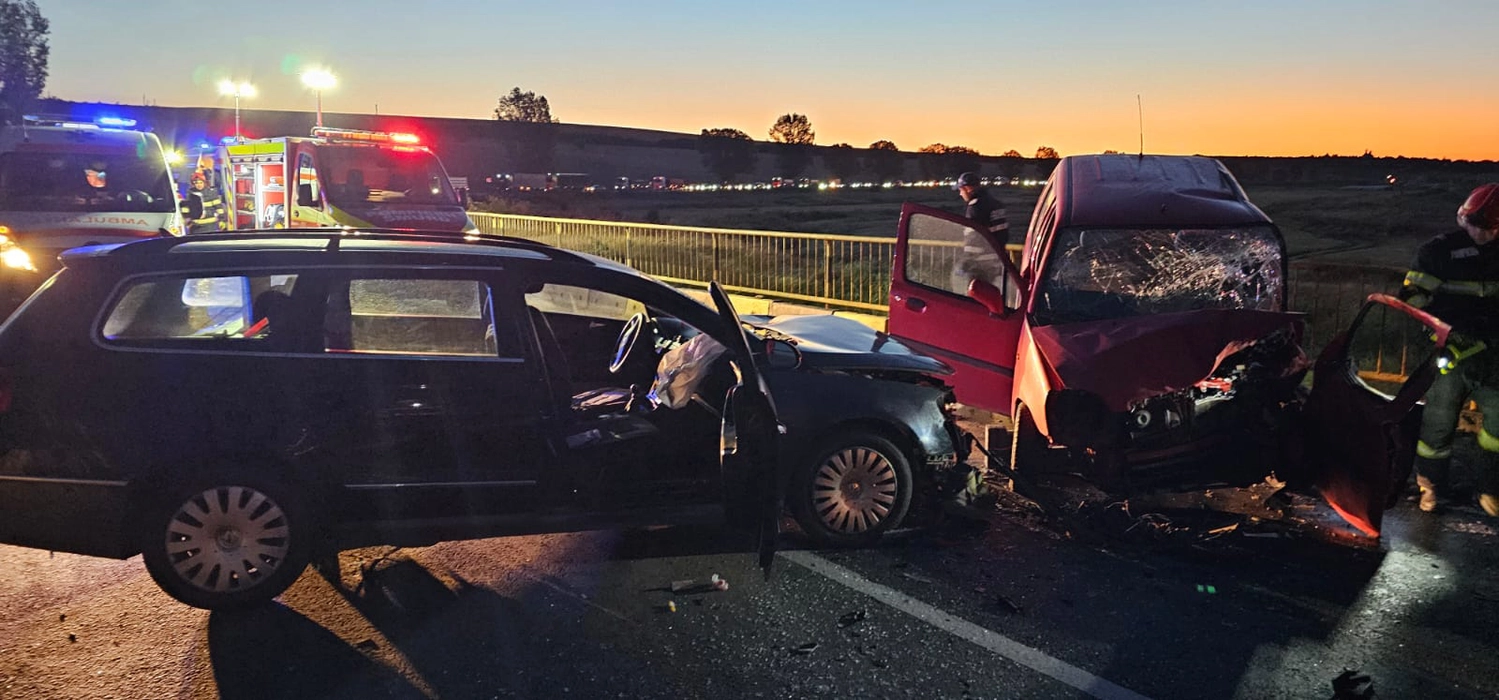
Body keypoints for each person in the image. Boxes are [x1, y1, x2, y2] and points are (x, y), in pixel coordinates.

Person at [1401, 183, 1499, 515]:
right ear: (1464, 218)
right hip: (1450, 355)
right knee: (1437, 425)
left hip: (1493, 358)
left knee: (1497, 428)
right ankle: (1430, 487)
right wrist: (1443, 329)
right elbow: (1413, 298)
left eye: (1491, 228)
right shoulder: (1438, 251)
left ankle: (1490, 489)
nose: (1483, 234)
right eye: (1478, 225)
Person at [950, 172, 1011, 295]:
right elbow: (1003, 233)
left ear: (968, 188)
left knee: (976, 296)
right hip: (997, 260)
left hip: (980, 264)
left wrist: (966, 261)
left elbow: (974, 238)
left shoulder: (975, 207)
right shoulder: (995, 204)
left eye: (961, 190)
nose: (960, 194)